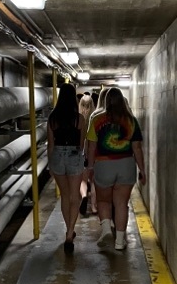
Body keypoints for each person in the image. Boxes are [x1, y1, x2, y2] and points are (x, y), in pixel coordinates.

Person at [85, 87, 146, 251]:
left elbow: (91, 147)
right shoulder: (131, 120)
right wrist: (142, 170)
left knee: (104, 201)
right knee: (121, 204)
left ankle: (106, 231)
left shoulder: (96, 119)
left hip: (104, 165)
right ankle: (120, 241)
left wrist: (90, 167)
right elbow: (137, 148)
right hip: (126, 165)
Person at [47, 83, 85, 253]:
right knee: (74, 196)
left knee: (65, 196)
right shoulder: (80, 119)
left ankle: (68, 231)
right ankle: (70, 232)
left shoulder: (52, 118)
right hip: (74, 155)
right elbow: (82, 143)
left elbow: (51, 144)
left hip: (57, 156)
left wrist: (50, 163)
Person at [78, 93, 96, 217]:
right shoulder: (95, 117)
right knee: (94, 181)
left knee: (83, 180)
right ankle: (94, 207)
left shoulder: (78, 117)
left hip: (82, 152)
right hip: (94, 152)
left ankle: (84, 196)